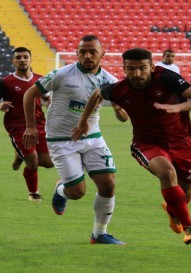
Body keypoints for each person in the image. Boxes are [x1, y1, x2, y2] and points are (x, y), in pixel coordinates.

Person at [75, 48, 191, 245]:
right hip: (146, 143)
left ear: (152, 67)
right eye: (131, 69)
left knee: (185, 193)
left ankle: (173, 210)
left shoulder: (166, 78)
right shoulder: (118, 89)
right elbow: (97, 95)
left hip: (181, 142)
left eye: (142, 68)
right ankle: (190, 227)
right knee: (167, 173)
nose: (137, 73)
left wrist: (178, 107)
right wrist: (83, 122)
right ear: (124, 69)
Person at [22, 35, 124, 245]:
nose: (87, 56)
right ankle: (61, 191)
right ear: (77, 53)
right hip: (61, 140)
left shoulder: (110, 80)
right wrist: (31, 126)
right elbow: (30, 93)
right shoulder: (62, 74)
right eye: (82, 52)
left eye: (92, 52)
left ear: (102, 54)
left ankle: (99, 234)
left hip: (93, 137)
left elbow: (122, 105)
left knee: (108, 184)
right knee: (77, 192)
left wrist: (119, 109)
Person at [0, 47, 54, 201]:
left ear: (30, 59)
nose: (22, 60)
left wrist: (50, 105)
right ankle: (33, 193)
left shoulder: (40, 79)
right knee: (33, 161)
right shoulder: (6, 82)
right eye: (18, 57)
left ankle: (20, 157)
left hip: (39, 124)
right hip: (17, 126)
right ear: (13, 61)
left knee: (49, 163)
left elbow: (47, 97)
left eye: (25, 57)